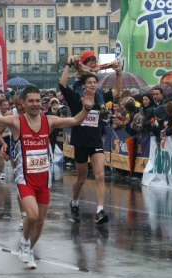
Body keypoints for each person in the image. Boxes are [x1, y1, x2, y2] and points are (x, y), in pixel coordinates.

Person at [0, 83, 95, 270]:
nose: (35, 104)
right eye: (31, 101)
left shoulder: (49, 121)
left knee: (41, 221)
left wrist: (87, 108)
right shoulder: (16, 121)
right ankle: (25, 242)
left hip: (44, 178)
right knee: (32, 216)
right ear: (23, 103)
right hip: (24, 178)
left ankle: (28, 250)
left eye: (38, 101)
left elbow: (75, 121)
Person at [60, 56, 122, 224]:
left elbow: (116, 92)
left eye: (95, 82)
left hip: (96, 143)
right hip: (80, 142)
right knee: (81, 178)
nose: (93, 85)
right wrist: (68, 65)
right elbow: (62, 85)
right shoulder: (76, 100)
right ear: (83, 86)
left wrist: (119, 73)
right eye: (89, 83)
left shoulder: (99, 100)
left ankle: (100, 211)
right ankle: (74, 202)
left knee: (100, 176)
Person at [0, 91, 27, 231]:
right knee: (21, 184)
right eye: (16, 103)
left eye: (21, 103)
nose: (19, 106)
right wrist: (4, 144)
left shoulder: (36, 112)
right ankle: (24, 216)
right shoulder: (10, 114)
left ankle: (32, 214)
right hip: (16, 149)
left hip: (33, 151)